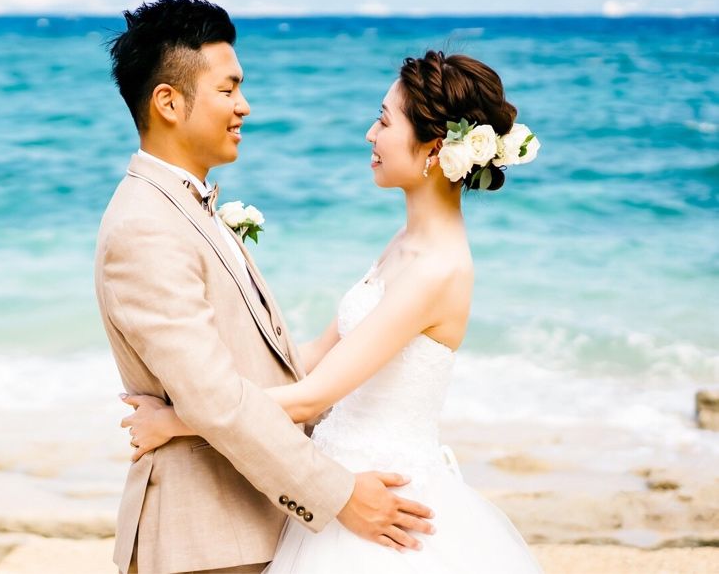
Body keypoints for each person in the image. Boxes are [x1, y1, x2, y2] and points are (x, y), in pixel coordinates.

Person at [121, 49, 545, 573]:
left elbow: (312, 397)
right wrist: (205, 384)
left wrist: (177, 421)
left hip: (381, 500)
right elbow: (317, 355)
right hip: (341, 479)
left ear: (435, 148)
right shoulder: (406, 242)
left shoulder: (436, 269)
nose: (371, 135)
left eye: (385, 121)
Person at [95, 0, 434, 574]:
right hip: (204, 543)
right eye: (227, 89)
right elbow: (216, 401)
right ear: (169, 102)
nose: (244, 106)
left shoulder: (187, 209)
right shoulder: (144, 228)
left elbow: (259, 369)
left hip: (247, 527)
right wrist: (338, 494)